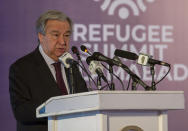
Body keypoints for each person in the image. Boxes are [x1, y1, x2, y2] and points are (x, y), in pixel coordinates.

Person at [9, 10, 88, 131]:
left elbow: (84, 100)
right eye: (56, 35)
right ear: (41, 36)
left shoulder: (71, 65)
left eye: (66, 35)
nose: (63, 42)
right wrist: (60, 108)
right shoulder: (22, 68)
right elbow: (21, 111)